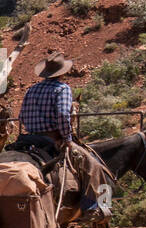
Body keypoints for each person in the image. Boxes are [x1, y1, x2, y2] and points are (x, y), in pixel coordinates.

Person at [18, 52, 111, 215]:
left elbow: (21, 117)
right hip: (52, 139)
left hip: (29, 139)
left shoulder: (31, 90)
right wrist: (67, 139)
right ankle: (93, 208)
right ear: (63, 72)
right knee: (94, 166)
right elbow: (62, 115)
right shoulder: (62, 89)